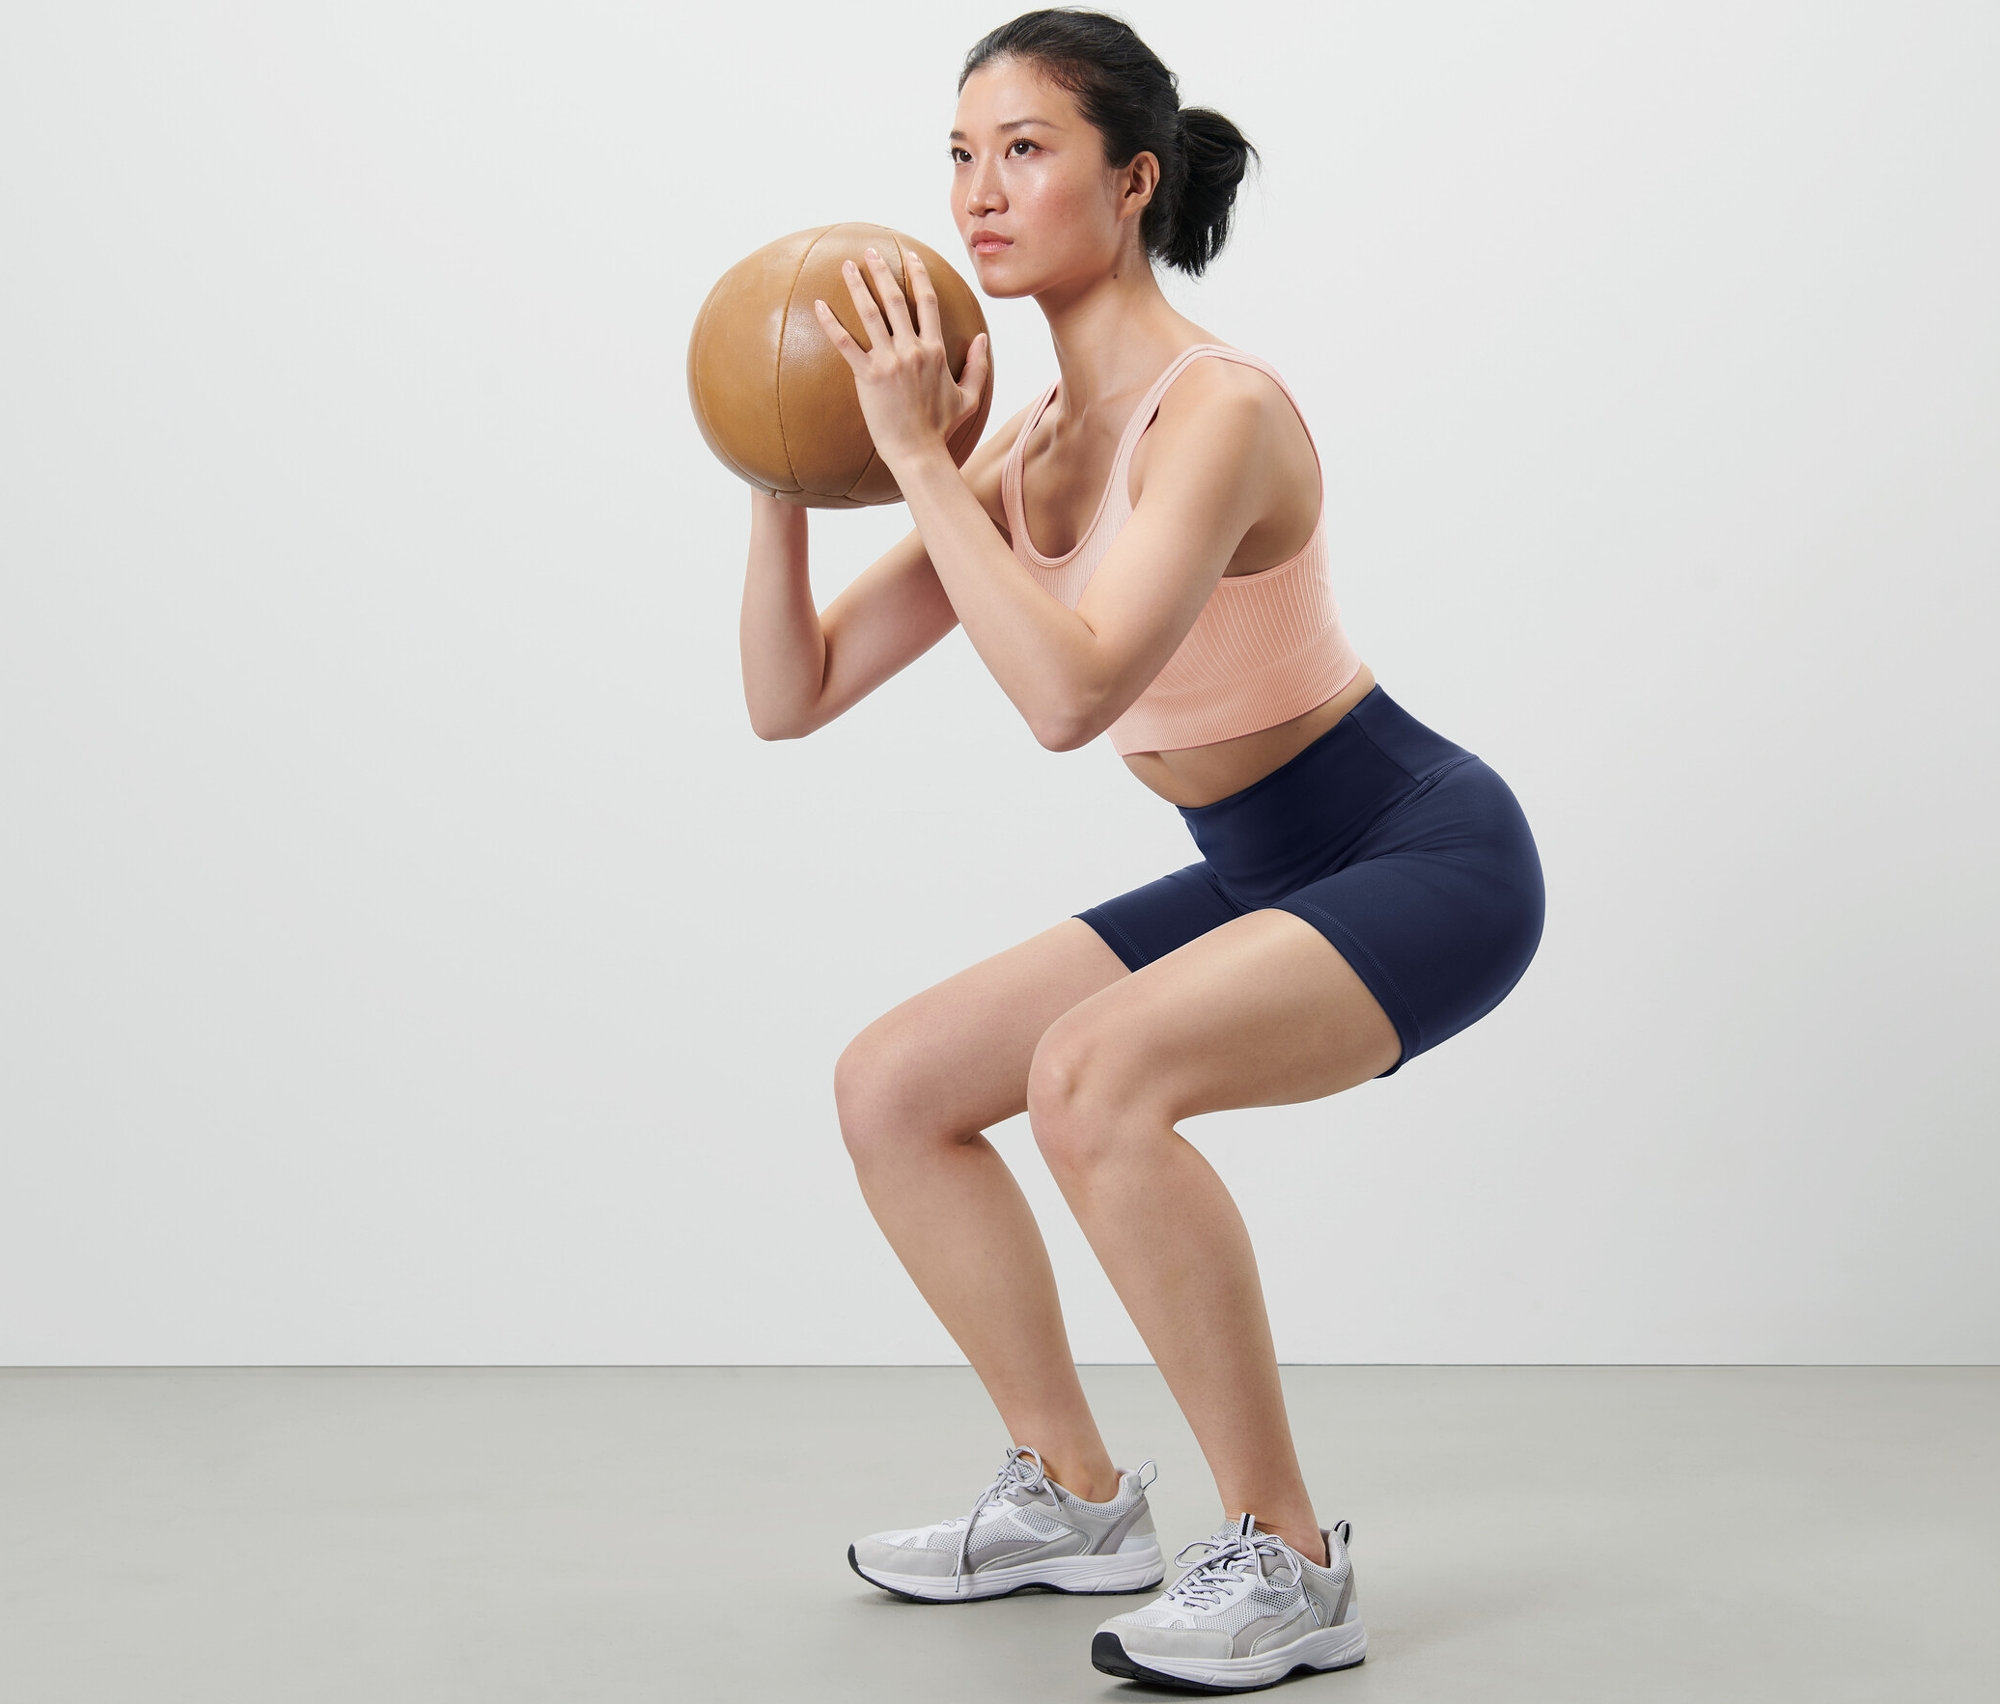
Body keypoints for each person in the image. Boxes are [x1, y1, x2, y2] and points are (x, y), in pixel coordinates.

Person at [737, 8, 1545, 1690]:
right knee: (894, 1086)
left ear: (1134, 184)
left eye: (1025, 149)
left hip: (1421, 851)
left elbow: (1072, 691)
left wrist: (912, 460)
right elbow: (789, 693)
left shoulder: (1220, 412)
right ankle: (1080, 1501)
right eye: (959, 154)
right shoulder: (1018, 452)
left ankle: (1290, 1558)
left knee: (1093, 1079)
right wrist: (785, 453)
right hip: (1262, 866)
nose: (978, 191)